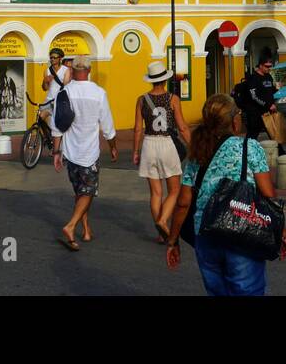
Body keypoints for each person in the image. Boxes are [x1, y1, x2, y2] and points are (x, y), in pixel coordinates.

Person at [164, 94, 286, 296]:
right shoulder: (249, 147)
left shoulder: (198, 152)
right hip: (241, 233)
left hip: (206, 235)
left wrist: (172, 241)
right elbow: (268, 195)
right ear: (234, 120)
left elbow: (183, 203)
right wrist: (282, 233)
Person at [51, 59, 118, 251]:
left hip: (70, 152)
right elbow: (107, 125)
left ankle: (86, 229)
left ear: (72, 70)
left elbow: (57, 125)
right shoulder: (98, 93)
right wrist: (113, 146)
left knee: (80, 192)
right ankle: (71, 226)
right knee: (88, 192)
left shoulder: (64, 93)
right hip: (89, 152)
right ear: (89, 70)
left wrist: (56, 151)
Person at [133, 60, 191, 242]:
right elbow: (181, 126)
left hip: (149, 144)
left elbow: (137, 129)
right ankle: (163, 219)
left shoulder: (142, 100)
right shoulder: (172, 98)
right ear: (165, 80)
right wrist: (192, 145)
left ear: (151, 80)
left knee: (155, 193)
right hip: (167, 144)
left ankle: (160, 233)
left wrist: (136, 151)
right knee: (174, 190)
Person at [232, 56, 279, 147]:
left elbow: (268, 91)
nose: (268, 68)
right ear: (260, 66)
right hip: (254, 112)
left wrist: (275, 89)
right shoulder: (253, 78)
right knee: (252, 134)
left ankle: (281, 152)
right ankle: (246, 152)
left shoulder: (268, 77)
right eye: (266, 66)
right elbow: (254, 96)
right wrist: (267, 105)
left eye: (270, 66)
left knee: (273, 132)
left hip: (267, 111)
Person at [39, 47, 71, 130]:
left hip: (60, 101)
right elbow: (45, 88)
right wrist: (45, 81)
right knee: (41, 117)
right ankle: (47, 136)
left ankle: (55, 137)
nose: (52, 59)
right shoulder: (47, 71)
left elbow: (66, 87)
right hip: (49, 100)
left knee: (59, 125)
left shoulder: (65, 70)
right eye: (51, 57)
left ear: (60, 58)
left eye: (54, 57)